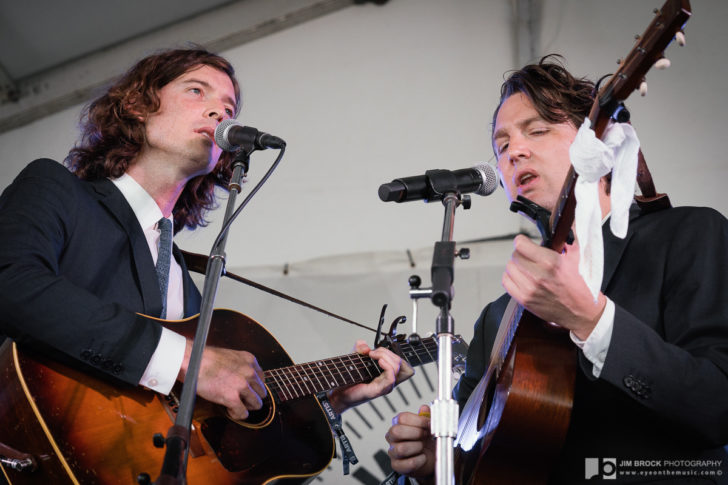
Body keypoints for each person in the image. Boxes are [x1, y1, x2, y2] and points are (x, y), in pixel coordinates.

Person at [0, 48, 410, 434]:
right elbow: (11, 284)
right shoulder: (56, 189)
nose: (220, 111)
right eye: (196, 90)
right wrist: (187, 360)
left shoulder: (186, 290)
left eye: (229, 108)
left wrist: (328, 403)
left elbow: (212, 439)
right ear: (137, 106)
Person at [384, 55, 728, 484]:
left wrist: (593, 321)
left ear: (597, 140)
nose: (515, 151)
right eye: (502, 144)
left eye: (538, 130)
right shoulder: (499, 316)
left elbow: (717, 406)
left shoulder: (687, 235)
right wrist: (439, 465)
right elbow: (484, 461)